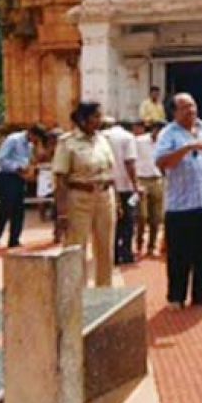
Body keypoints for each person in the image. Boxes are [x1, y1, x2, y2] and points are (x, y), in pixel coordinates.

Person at [155, 93, 202, 309]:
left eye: (193, 105)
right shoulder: (168, 134)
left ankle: (201, 293)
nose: (191, 110)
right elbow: (162, 162)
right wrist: (187, 148)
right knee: (179, 253)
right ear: (174, 112)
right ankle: (176, 296)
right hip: (181, 204)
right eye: (185, 107)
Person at [52, 101, 116, 287]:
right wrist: (62, 212)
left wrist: (117, 201)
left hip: (105, 196)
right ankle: (74, 292)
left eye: (100, 116)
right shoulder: (67, 142)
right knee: (76, 247)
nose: (99, 120)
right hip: (79, 197)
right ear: (82, 119)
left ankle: (105, 291)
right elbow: (60, 180)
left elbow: (110, 173)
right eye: (95, 116)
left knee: (105, 247)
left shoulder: (103, 140)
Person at [0, 124, 47, 248]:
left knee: (19, 209)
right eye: (35, 138)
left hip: (19, 177)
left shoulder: (30, 145)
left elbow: (29, 159)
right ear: (31, 133)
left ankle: (14, 239)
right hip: (7, 176)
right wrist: (17, 167)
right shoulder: (13, 140)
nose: (35, 141)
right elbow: (0, 158)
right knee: (6, 207)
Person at [104, 118, 141, 265]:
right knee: (128, 221)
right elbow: (129, 162)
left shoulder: (101, 136)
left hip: (108, 185)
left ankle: (111, 253)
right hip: (125, 185)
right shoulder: (128, 138)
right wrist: (136, 184)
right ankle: (125, 252)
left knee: (111, 222)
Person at [133, 119, 166, 256]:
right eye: (157, 130)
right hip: (142, 179)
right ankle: (139, 242)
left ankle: (151, 245)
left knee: (156, 217)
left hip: (157, 179)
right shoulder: (139, 141)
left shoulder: (164, 144)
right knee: (142, 215)